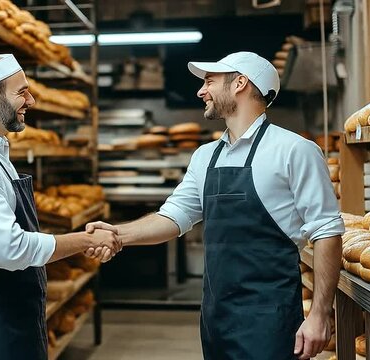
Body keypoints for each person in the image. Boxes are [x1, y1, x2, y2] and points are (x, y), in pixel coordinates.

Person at [86, 51, 343, 360]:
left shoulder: (294, 150)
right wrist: (117, 234)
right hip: (215, 316)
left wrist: (319, 315)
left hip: (269, 318)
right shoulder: (206, 156)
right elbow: (173, 216)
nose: (200, 91)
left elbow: (327, 231)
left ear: (240, 83)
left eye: (209, 81)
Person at [0, 54, 121, 360]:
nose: (31, 100)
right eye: (22, 92)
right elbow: (9, 249)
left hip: (10, 307)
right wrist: (86, 240)